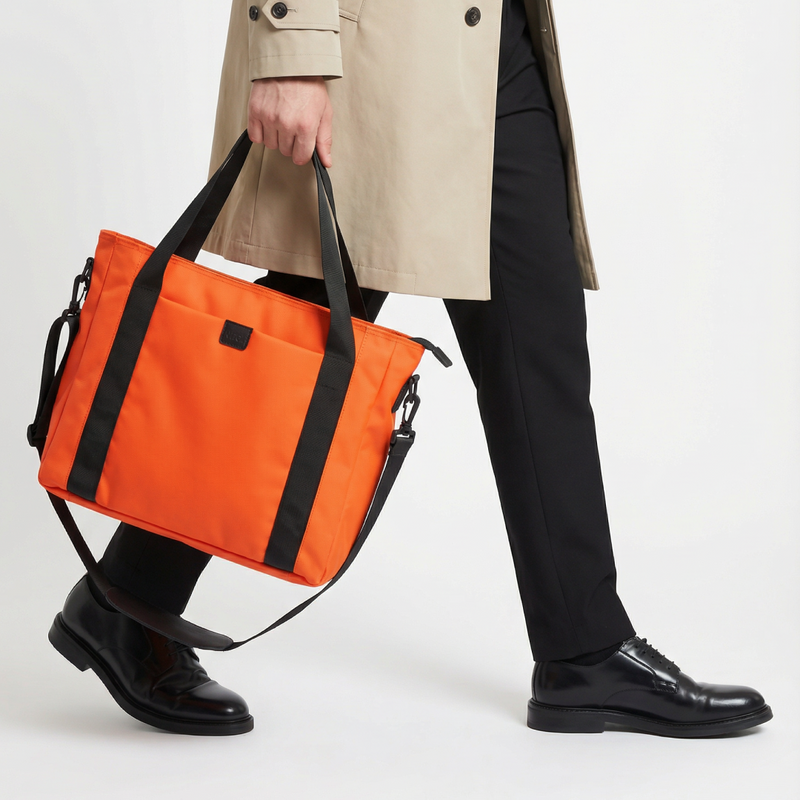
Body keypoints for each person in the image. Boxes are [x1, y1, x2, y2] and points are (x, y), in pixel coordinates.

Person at [49, 0, 772, 737]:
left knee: (538, 334)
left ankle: (584, 651)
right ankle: (128, 599)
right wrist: (290, 46)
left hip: (494, 35)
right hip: (370, 41)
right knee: (307, 339)